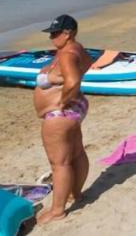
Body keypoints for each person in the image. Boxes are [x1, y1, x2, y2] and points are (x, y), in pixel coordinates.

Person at [33, 14, 92, 224]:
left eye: (55, 33)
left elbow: (73, 81)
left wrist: (63, 100)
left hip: (60, 113)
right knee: (76, 152)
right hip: (74, 109)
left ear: (68, 33)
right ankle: (76, 193)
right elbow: (86, 64)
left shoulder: (67, 54)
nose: (51, 38)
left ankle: (57, 210)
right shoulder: (76, 48)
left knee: (59, 163)